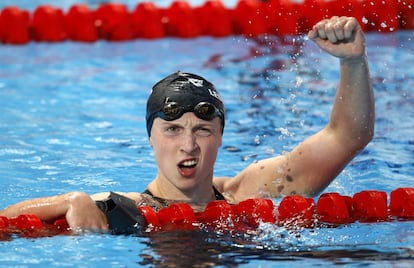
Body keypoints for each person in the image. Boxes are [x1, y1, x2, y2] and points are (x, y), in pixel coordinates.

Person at [0, 16, 374, 231]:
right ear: (151, 137)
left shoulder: (252, 191)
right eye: (173, 129)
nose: (188, 145)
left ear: (221, 137)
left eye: (203, 130)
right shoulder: (121, 210)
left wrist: (353, 63)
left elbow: (347, 136)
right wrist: (69, 201)